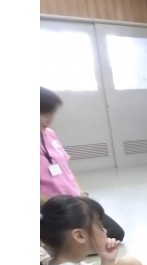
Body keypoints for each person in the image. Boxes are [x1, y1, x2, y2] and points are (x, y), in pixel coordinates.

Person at [40, 86, 125, 241]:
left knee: (115, 233)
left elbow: (65, 169)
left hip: (75, 202)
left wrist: (81, 194)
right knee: (97, 239)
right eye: (43, 113)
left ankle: (60, 246)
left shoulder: (49, 134)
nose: (49, 119)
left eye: (51, 113)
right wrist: (60, 207)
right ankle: (55, 249)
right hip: (55, 209)